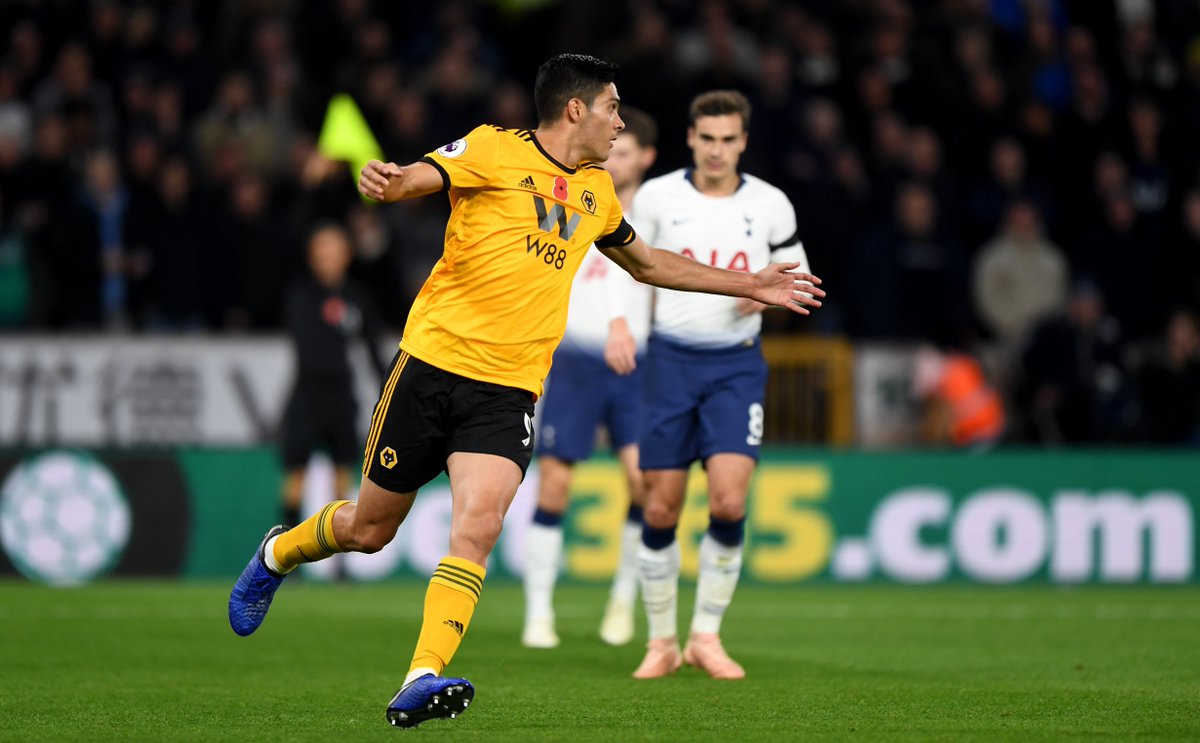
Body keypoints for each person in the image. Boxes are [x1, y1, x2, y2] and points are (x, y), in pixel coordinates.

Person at [227, 54, 824, 729]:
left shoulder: (598, 193)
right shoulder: (492, 149)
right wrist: (388, 182)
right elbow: (418, 176)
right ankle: (278, 551)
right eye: (612, 107)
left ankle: (420, 675)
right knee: (369, 529)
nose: (620, 122)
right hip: (430, 366)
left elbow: (650, 262)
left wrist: (751, 283)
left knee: (477, 527)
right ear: (577, 110)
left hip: (508, 389)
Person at [628, 90, 812, 681]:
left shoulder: (771, 204)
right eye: (707, 138)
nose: (717, 150)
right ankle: (660, 640)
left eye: (728, 139)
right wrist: (621, 328)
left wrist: (771, 301)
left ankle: (706, 634)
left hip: (735, 366)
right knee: (661, 506)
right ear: (690, 138)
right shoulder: (656, 197)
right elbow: (630, 267)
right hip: (669, 364)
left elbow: (796, 279)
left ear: (744, 142)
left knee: (730, 500)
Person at [521, 106, 657, 650]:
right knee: (554, 485)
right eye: (612, 149)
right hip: (574, 363)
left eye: (626, 152)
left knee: (644, 484)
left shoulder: (660, 210)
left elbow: (664, 272)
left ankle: (622, 602)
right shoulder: (573, 197)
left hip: (635, 368)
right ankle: (538, 613)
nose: (614, 159)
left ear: (646, 158)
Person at [279, 223, 385, 534]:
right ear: (312, 257)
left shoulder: (358, 298)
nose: (328, 257)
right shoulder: (300, 295)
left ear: (346, 255)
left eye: (334, 249)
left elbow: (372, 349)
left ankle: (340, 562)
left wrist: (389, 390)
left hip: (342, 395)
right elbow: (305, 344)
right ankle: (287, 553)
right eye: (321, 250)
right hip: (308, 394)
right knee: (296, 472)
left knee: (343, 476)